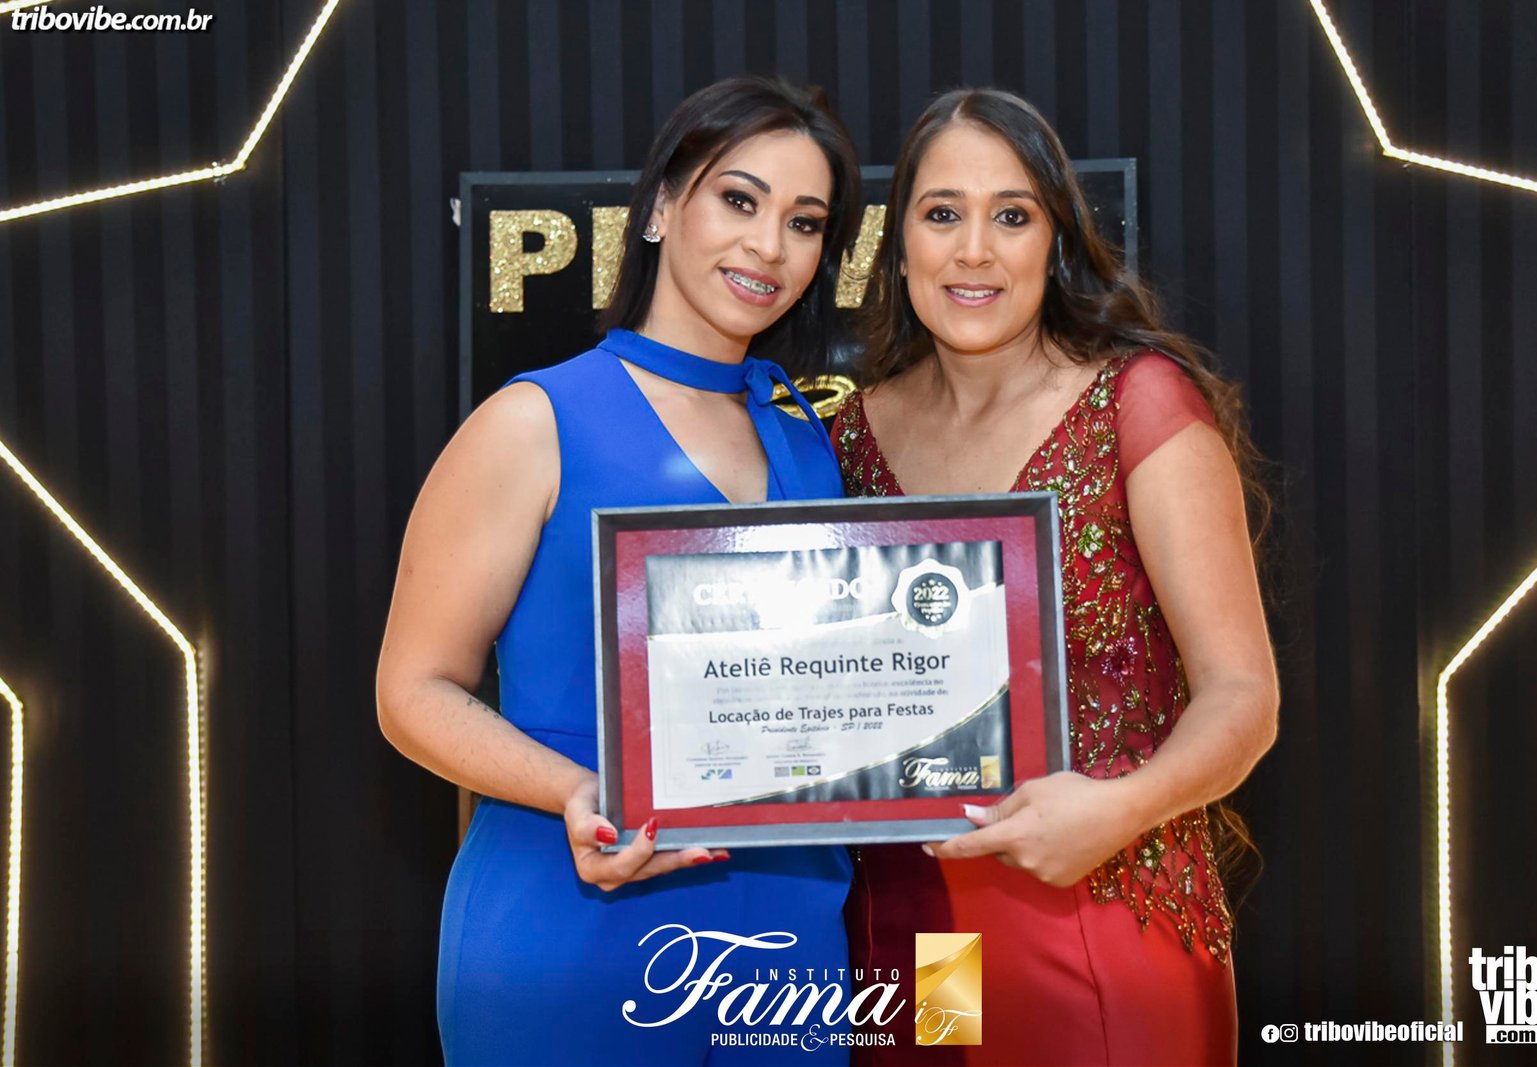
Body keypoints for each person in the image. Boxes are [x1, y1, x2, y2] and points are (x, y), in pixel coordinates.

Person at [376, 75, 863, 1066]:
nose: (768, 245)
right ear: (659, 208)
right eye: (739, 199)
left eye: (804, 222)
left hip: (790, 938)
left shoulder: (805, 433)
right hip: (573, 920)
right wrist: (577, 790)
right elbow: (410, 690)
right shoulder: (534, 421)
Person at [833, 88, 1278, 1065]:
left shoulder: (1138, 402)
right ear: (896, 245)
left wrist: (1122, 809)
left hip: (1104, 911)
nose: (974, 251)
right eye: (942, 213)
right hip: (916, 933)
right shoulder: (850, 435)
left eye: (1012, 215)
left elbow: (1244, 696)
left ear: (1056, 241)